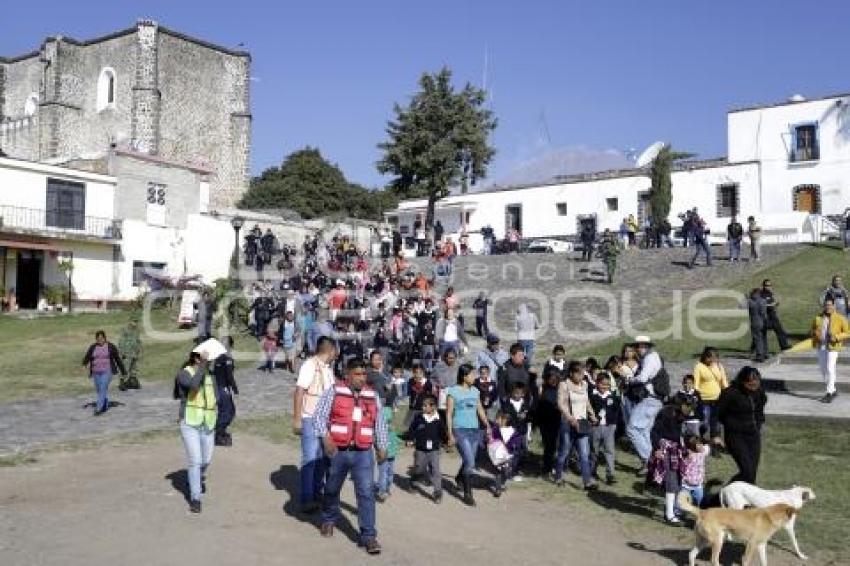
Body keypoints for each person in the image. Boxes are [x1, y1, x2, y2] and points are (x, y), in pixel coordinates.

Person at [314, 358, 387, 555]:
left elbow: (379, 422)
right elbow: (319, 416)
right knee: (331, 488)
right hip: (338, 451)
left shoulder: (372, 395)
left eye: (364, 374)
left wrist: (382, 446)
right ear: (347, 373)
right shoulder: (334, 391)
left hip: (363, 452)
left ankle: (369, 536)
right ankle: (329, 519)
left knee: (366, 492)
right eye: (357, 374)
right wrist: (326, 437)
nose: (362, 378)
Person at [292, 336, 336, 513]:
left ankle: (318, 492)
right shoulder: (310, 365)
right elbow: (299, 391)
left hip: (325, 420)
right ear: (331, 350)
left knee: (321, 459)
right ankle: (306, 498)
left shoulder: (327, 369)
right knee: (310, 458)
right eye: (335, 351)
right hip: (310, 418)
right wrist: (297, 419)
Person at [173, 351, 216, 513]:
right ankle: (195, 498)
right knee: (195, 461)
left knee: (206, 460)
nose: (209, 361)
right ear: (196, 358)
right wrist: (202, 366)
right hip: (189, 423)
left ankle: (194, 478)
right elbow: (194, 386)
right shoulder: (184, 373)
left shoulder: (211, 375)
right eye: (205, 358)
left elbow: (214, 396)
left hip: (208, 423)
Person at [446, 363, 491, 506]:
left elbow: (480, 409)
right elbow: (448, 413)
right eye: (472, 374)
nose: (474, 377)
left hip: (474, 430)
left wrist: (487, 425)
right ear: (464, 376)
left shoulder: (475, 391)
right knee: (470, 462)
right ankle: (467, 494)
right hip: (460, 430)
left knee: (469, 461)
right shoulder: (453, 391)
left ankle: (460, 478)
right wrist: (450, 434)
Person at [717, 366, 767, 485]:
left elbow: (760, 410)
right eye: (750, 385)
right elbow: (717, 414)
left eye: (756, 384)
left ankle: (746, 501)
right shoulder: (730, 393)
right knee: (747, 472)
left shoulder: (759, 392)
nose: (754, 388)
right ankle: (725, 494)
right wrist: (717, 434)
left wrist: (759, 423)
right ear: (742, 381)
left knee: (751, 474)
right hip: (736, 436)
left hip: (753, 436)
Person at [625, 335, 666, 476]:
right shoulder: (653, 357)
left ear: (646, 347)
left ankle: (650, 460)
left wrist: (630, 379)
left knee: (631, 429)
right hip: (655, 400)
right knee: (644, 431)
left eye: (640, 346)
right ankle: (653, 464)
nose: (638, 349)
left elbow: (643, 378)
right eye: (637, 346)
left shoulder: (649, 358)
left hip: (650, 399)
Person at [648, 397, 692, 524]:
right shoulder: (666, 412)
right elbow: (654, 431)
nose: (688, 409)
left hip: (677, 450)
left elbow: (682, 436)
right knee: (671, 481)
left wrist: (686, 450)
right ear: (680, 403)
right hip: (665, 449)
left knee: (678, 480)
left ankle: (673, 510)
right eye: (686, 405)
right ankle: (669, 515)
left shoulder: (683, 416)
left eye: (690, 407)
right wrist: (657, 448)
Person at [555, 361, 598, 490]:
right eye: (578, 374)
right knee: (564, 451)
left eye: (583, 374)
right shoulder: (564, 385)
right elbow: (561, 403)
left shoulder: (584, 384)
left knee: (584, 453)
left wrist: (592, 415)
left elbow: (587, 401)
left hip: (582, 422)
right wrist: (569, 418)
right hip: (568, 423)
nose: (581, 376)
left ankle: (587, 481)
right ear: (572, 373)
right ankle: (558, 476)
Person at [810, 297, 850, 403]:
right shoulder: (818, 318)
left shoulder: (840, 318)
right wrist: (814, 334)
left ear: (834, 305)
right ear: (823, 306)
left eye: (830, 305)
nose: (828, 307)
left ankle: (829, 393)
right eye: (826, 305)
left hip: (833, 347)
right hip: (821, 346)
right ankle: (833, 390)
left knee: (830, 368)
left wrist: (836, 337)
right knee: (823, 370)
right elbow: (812, 330)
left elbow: (847, 332)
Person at [406, 393, 444, 503]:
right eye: (422, 405)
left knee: (435, 470)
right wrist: (410, 439)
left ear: (433, 407)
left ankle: (437, 493)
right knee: (419, 468)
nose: (423, 407)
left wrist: (446, 441)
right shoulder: (419, 418)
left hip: (435, 449)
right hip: (420, 448)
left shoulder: (438, 419)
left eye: (425, 405)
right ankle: (414, 482)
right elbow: (412, 430)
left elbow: (442, 432)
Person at [82, 330, 127, 416]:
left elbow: (117, 359)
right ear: (96, 339)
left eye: (101, 338)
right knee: (99, 391)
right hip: (96, 372)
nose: (100, 340)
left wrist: (123, 371)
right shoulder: (93, 347)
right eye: (98, 339)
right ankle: (105, 404)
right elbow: (87, 357)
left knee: (103, 388)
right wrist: (84, 364)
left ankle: (98, 409)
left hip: (107, 371)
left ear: (105, 338)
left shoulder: (110, 346)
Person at [693, 347, 728, 456]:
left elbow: (724, 381)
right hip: (704, 400)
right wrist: (696, 397)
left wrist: (727, 393)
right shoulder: (699, 367)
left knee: (716, 425)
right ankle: (697, 442)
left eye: (715, 358)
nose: (713, 361)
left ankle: (715, 448)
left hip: (717, 400)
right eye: (711, 359)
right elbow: (696, 384)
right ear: (706, 357)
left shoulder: (718, 366)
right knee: (704, 423)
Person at [589, 372, 619, 485]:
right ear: (597, 383)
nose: (604, 387)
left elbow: (616, 411)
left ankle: (610, 474)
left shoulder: (612, 396)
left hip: (609, 427)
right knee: (594, 450)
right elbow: (589, 410)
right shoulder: (592, 395)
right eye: (602, 384)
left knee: (609, 450)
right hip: (595, 427)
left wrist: (614, 424)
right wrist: (592, 420)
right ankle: (592, 471)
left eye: (607, 385)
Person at [488, 410, 525, 497]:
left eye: (498, 419)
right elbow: (490, 439)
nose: (496, 421)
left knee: (507, 472)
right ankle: (498, 488)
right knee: (498, 472)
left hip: (509, 455)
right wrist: (489, 439)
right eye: (496, 419)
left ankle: (502, 483)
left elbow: (517, 440)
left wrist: (513, 446)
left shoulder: (513, 431)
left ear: (505, 420)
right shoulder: (495, 430)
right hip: (498, 455)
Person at [375, 386, 400, 502]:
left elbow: (395, 432)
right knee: (384, 471)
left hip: (392, 448)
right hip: (383, 448)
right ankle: (382, 491)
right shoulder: (383, 412)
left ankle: (386, 488)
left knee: (389, 472)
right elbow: (379, 430)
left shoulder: (389, 411)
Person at [536, 367, 562, 478]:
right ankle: (546, 468)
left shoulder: (560, 389)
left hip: (556, 420)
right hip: (544, 420)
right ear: (547, 378)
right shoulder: (542, 388)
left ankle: (552, 466)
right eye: (551, 378)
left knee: (554, 445)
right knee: (548, 444)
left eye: (556, 378)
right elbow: (538, 403)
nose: (554, 380)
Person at [213, 336, 239, 447]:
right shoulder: (227, 359)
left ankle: (220, 432)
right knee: (228, 412)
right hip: (223, 389)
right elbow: (229, 376)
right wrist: (235, 390)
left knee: (225, 411)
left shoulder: (217, 358)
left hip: (218, 388)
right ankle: (218, 435)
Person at [678, 434, 710, 512]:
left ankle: (702, 515)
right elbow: (682, 467)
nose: (702, 446)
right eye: (699, 445)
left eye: (702, 444)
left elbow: (707, 446)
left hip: (698, 485)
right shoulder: (688, 455)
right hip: (686, 485)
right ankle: (676, 513)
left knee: (701, 502)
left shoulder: (702, 454)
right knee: (681, 502)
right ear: (692, 446)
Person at [760, 279, 791, 351]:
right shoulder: (762, 295)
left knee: (780, 331)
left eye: (770, 285)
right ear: (763, 286)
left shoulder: (770, 294)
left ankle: (784, 346)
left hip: (773, 316)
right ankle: (757, 349)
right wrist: (772, 305)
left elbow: (771, 304)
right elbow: (762, 305)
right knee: (762, 333)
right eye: (767, 285)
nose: (769, 287)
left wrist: (775, 305)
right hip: (766, 316)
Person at [117, 319, 142, 391]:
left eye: (136, 322)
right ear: (130, 322)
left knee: (134, 368)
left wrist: (139, 350)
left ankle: (132, 381)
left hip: (134, 352)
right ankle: (122, 382)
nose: (135, 323)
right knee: (125, 368)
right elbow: (121, 341)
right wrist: (122, 352)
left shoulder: (137, 331)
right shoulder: (125, 330)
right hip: (127, 352)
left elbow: (138, 341)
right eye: (134, 321)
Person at [747, 288, 769, 362]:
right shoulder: (763, 301)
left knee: (757, 339)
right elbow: (764, 312)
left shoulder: (750, 301)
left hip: (755, 322)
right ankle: (765, 353)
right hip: (763, 321)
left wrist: (746, 298)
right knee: (763, 338)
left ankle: (760, 355)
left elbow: (740, 306)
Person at [515, 303, 540, 368]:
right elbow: (537, 326)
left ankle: (521, 365)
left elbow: (516, 328)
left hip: (521, 338)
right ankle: (527, 365)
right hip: (530, 337)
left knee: (521, 352)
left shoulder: (518, 317)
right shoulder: (533, 316)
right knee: (529, 353)